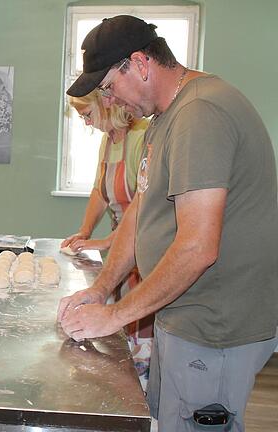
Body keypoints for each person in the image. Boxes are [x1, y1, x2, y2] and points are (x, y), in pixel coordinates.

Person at [58, 15, 278, 432]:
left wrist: (117, 316)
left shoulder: (201, 114)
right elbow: (141, 212)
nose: (111, 101)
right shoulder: (165, 118)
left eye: (109, 88)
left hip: (214, 327)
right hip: (182, 316)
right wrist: (101, 290)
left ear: (139, 63)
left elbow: (198, 247)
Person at [61, 90, 152, 388]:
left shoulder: (142, 135)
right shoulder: (108, 139)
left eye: (88, 115)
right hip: (120, 255)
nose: (87, 123)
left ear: (105, 103)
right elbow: (100, 191)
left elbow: (144, 207)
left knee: (140, 346)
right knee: (120, 340)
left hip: (142, 254)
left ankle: (142, 405)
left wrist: (107, 242)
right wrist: (86, 231)